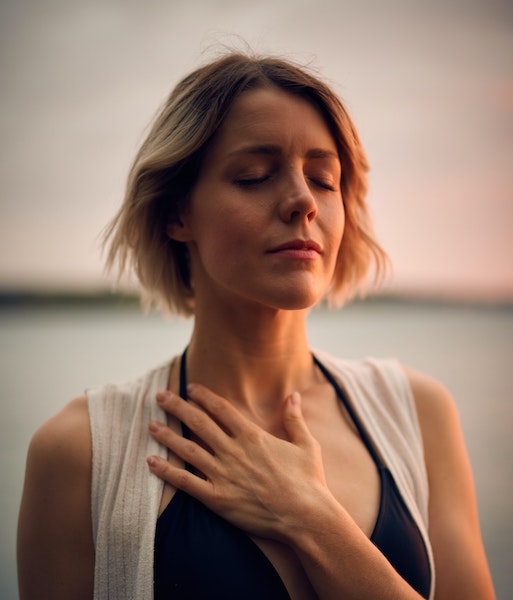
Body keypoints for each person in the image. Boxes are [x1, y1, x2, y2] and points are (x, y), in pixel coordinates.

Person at [17, 51, 495, 600]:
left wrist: (311, 519)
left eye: (323, 179)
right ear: (177, 214)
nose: (301, 202)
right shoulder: (81, 452)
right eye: (254, 176)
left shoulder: (418, 414)